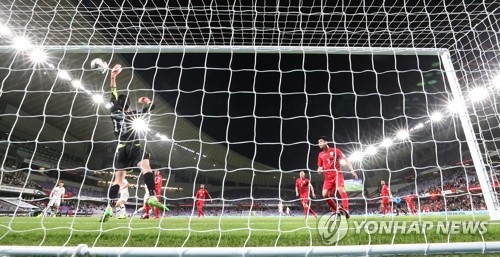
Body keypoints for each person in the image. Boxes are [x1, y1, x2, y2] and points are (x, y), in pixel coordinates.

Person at [101, 64, 168, 222]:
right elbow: (152, 107)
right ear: (128, 105)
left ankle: (109, 207)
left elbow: (113, 91)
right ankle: (152, 196)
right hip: (134, 146)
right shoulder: (132, 114)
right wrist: (147, 101)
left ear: (117, 102)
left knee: (117, 180)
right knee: (146, 169)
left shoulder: (113, 111)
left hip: (121, 148)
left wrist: (113, 76)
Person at [317, 136, 357, 218]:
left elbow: (346, 159)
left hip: (337, 173)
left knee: (340, 189)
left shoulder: (335, 150)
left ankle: (346, 210)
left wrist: (352, 170)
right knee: (324, 195)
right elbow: (320, 167)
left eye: (321, 141)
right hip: (327, 177)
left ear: (326, 142)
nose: (319, 143)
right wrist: (319, 170)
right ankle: (336, 210)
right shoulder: (320, 155)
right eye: (319, 142)